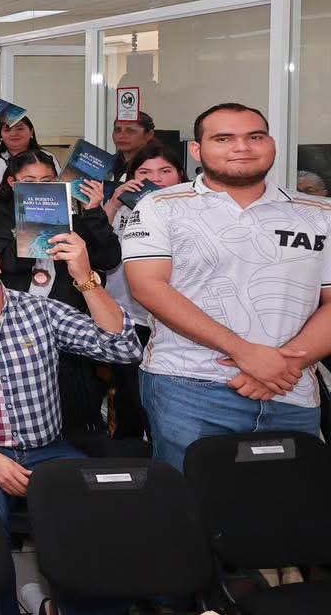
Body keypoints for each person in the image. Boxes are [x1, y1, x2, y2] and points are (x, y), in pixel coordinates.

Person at [0, 226, 142, 615]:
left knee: (93, 519)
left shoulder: (41, 311)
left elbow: (123, 348)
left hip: (48, 449)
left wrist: (85, 280)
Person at [124, 103, 331, 470]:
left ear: (272, 145)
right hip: (189, 387)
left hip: (291, 388)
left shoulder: (318, 214)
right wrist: (246, 353)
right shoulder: (161, 206)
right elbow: (149, 288)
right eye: (224, 138)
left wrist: (282, 365)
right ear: (197, 150)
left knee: (291, 510)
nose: (242, 147)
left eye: (255, 137)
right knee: (193, 510)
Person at [0, 151, 122, 442]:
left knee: (74, 400)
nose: (40, 187)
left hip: (67, 315)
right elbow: (8, 263)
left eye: (48, 181)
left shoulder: (76, 212)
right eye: (29, 181)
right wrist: (38, 220)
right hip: (17, 317)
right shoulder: (0, 211)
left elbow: (109, 257)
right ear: (13, 183)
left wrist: (93, 211)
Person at [103, 143, 187, 440]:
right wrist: (114, 202)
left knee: (168, 397)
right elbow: (100, 250)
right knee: (128, 394)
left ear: (180, 175)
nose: (157, 178)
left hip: (176, 319)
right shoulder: (122, 206)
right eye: (145, 171)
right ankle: (130, 457)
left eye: (165, 171)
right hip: (128, 316)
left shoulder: (192, 208)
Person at [110, 111, 157, 180]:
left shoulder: (158, 163)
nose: (121, 136)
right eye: (117, 130)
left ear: (149, 135)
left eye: (130, 131)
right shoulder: (109, 163)